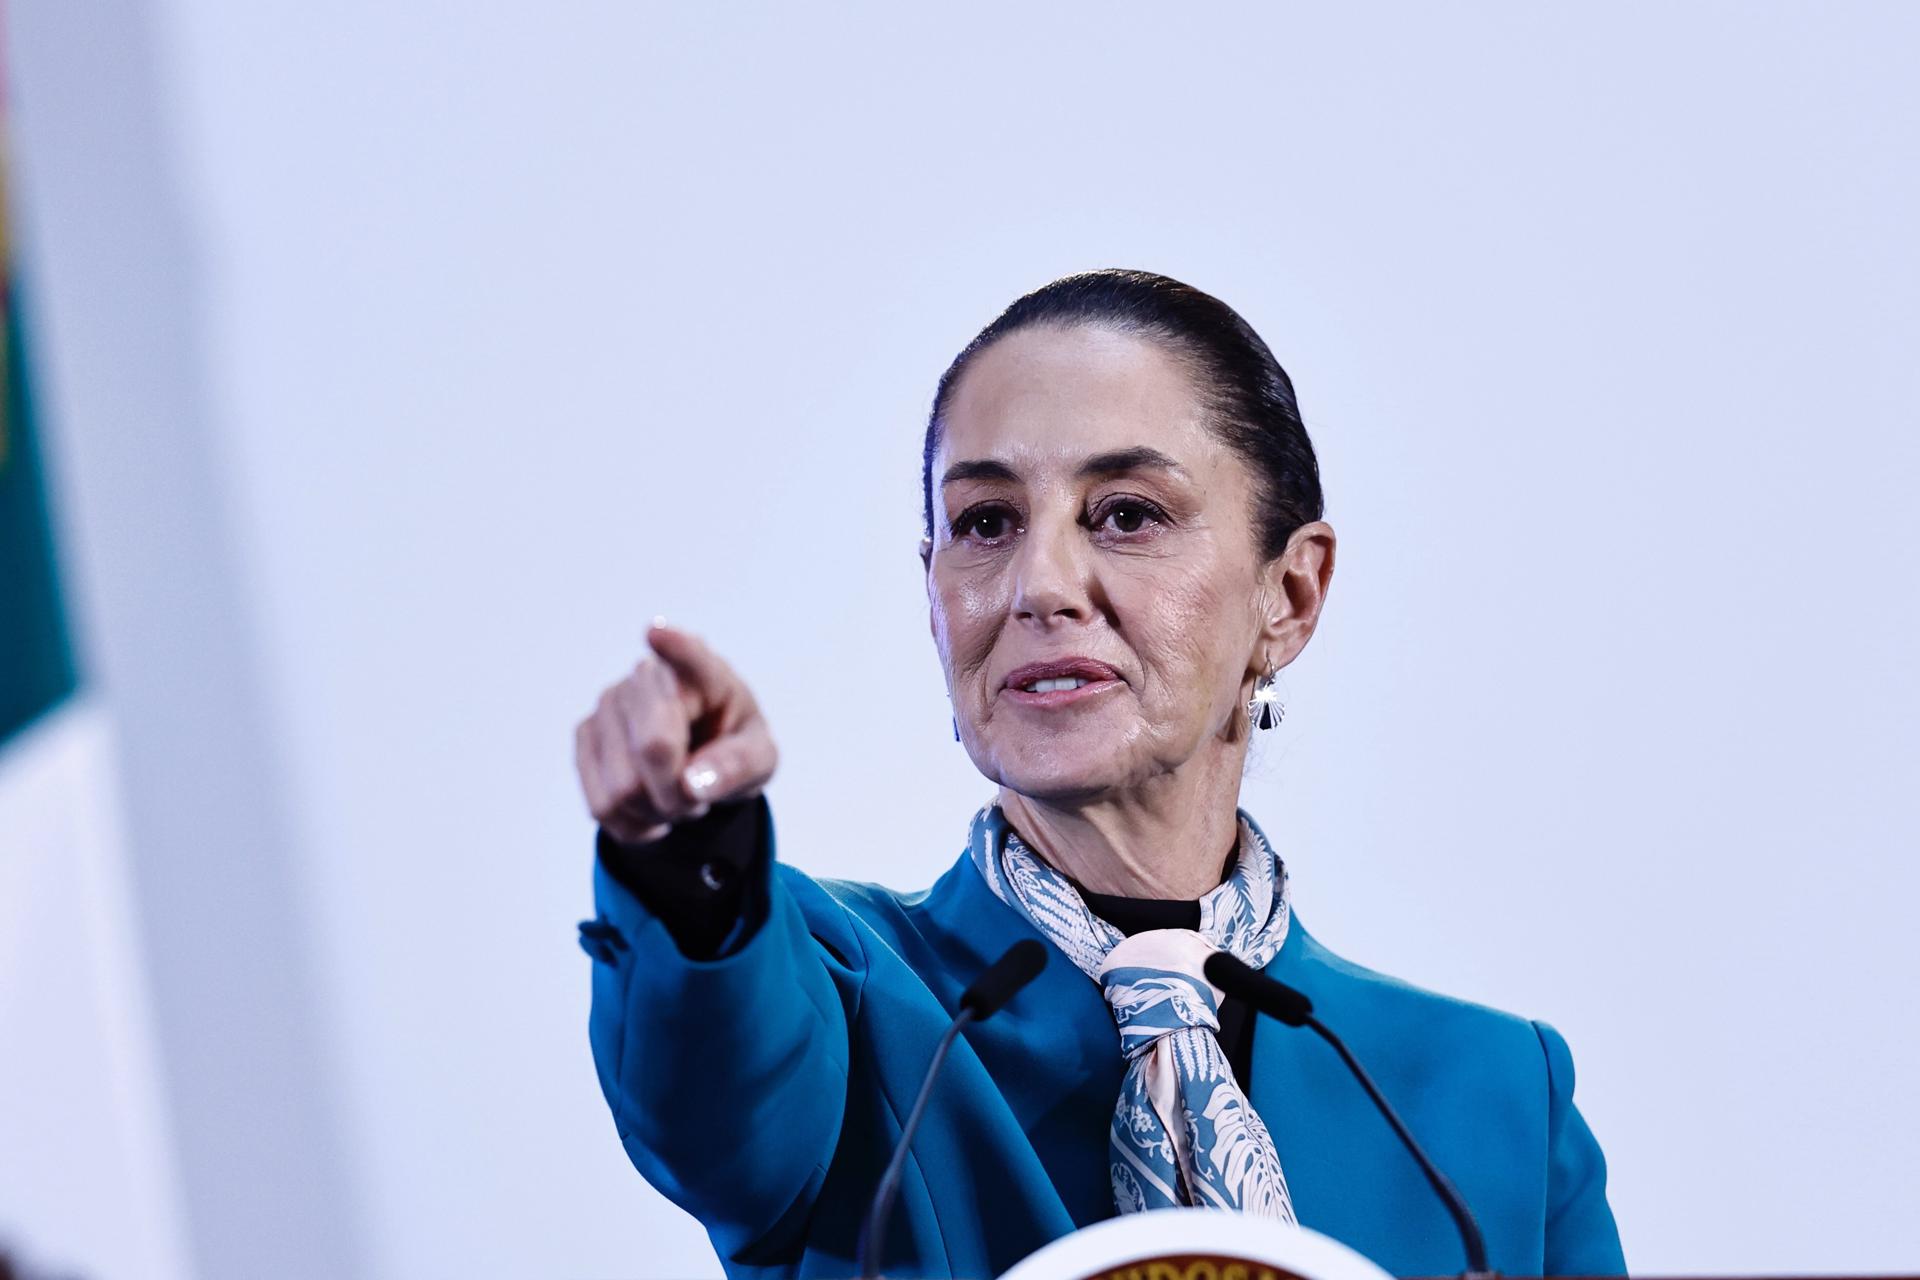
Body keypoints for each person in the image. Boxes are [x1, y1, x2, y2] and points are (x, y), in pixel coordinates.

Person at [573, 269, 1626, 1279]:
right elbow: (712, 1091)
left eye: (1127, 513)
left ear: (1291, 594)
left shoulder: (1493, 1103)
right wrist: (686, 851)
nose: (1040, 584)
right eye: (986, 523)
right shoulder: (842, 1002)